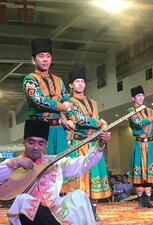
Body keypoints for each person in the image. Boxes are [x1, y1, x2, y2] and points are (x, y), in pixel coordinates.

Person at [0, 119, 111, 225]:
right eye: (31, 142)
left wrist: (99, 145)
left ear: (45, 145)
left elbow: (83, 163)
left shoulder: (53, 161)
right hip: (31, 218)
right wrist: (17, 163)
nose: (36, 147)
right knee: (22, 199)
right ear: (24, 142)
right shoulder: (14, 163)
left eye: (40, 143)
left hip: (56, 214)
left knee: (79, 195)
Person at [64, 68, 111, 218]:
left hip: (93, 144)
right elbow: (78, 119)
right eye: (77, 82)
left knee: (93, 179)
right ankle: (79, 211)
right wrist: (99, 123)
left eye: (82, 81)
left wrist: (102, 127)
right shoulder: (69, 102)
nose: (80, 84)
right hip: (78, 145)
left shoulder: (93, 103)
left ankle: (93, 211)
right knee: (80, 180)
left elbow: (95, 120)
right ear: (71, 85)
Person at [22, 38, 75, 155]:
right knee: (41, 167)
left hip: (58, 129)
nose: (45, 59)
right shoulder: (29, 79)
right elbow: (39, 101)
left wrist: (71, 119)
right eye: (41, 56)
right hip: (38, 128)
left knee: (62, 164)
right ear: (33, 59)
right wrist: (62, 107)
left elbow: (68, 101)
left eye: (48, 56)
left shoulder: (58, 80)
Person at [127, 85, 153, 208]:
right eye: (138, 96)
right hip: (140, 144)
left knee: (150, 171)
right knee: (139, 173)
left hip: (150, 145)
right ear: (133, 98)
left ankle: (148, 200)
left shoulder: (149, 111)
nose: (141, 97)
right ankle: (141, 201)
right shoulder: (131, 112)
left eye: (142, 95)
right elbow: (139, 124)